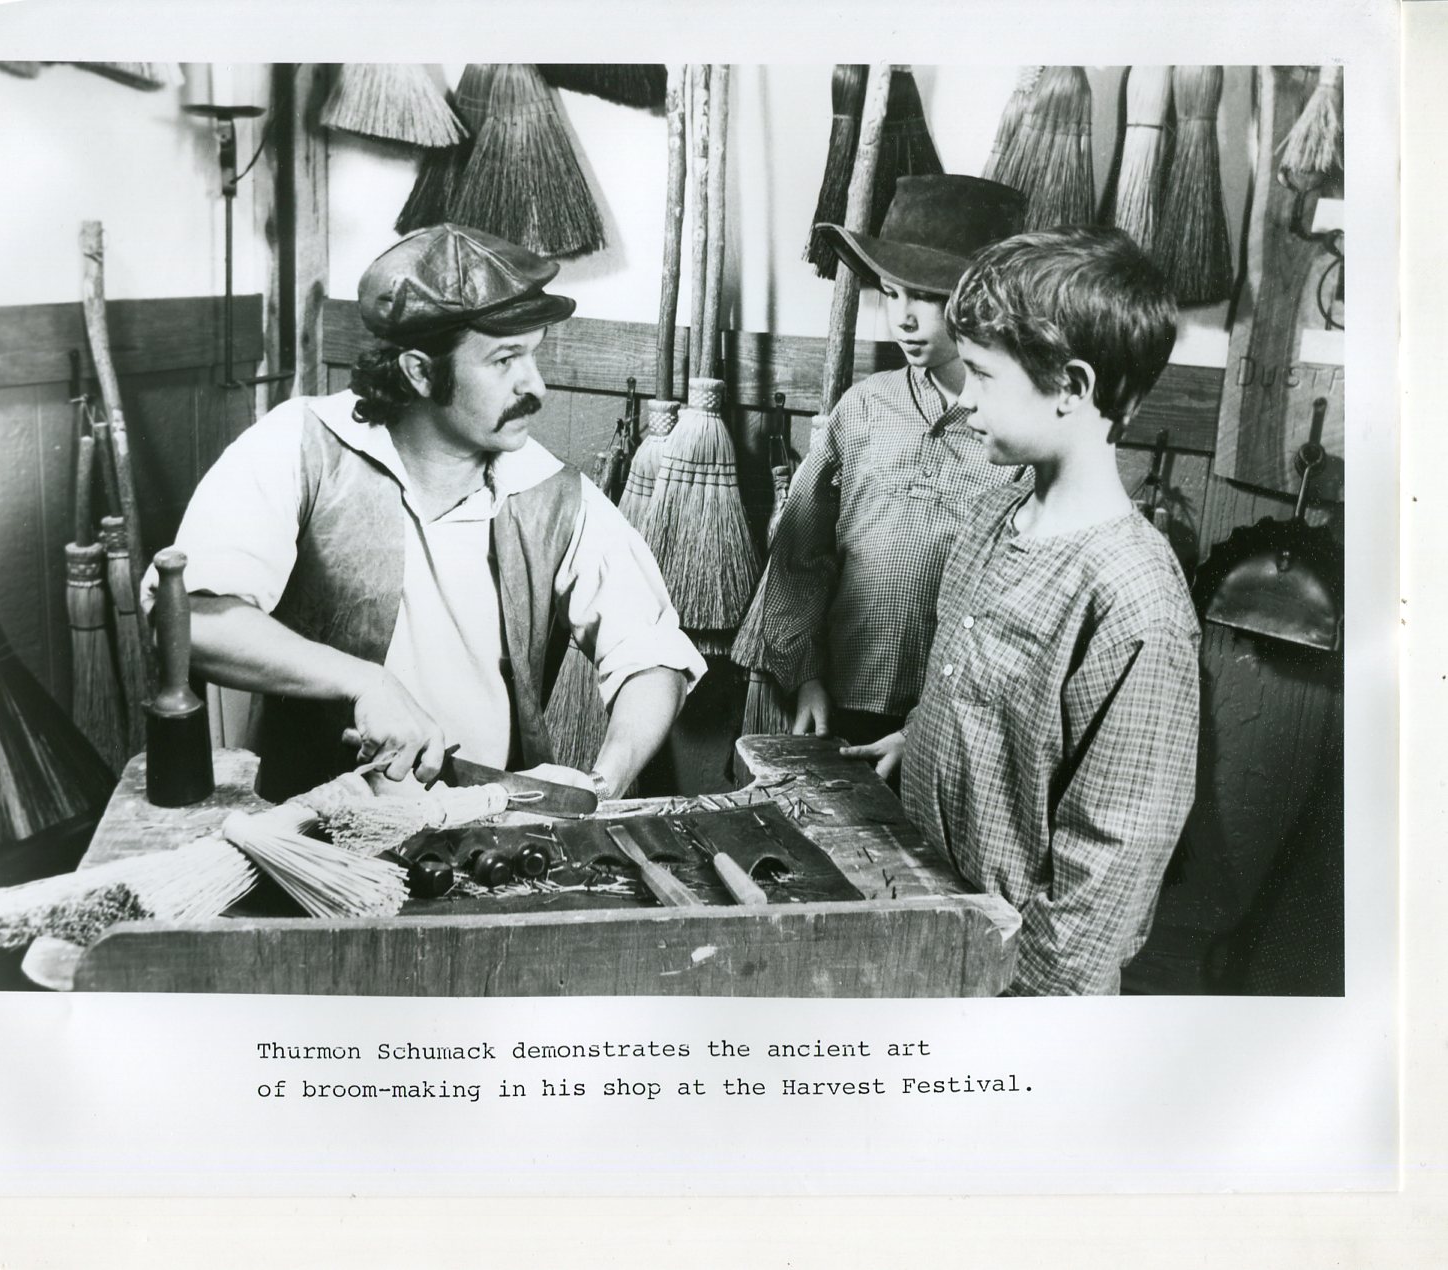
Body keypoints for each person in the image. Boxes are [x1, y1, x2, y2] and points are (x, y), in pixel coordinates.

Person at [147, 224, 706, 803]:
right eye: (504, 359)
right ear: (419, 371)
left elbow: (653, 653)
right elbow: (188, 622)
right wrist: (362, 682)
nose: (536, 386)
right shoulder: (302, 445)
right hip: (309, 825)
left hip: (488, 829)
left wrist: (604, 781)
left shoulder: (549, 490)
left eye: (533, 354)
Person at [845, 226, 1201, 996]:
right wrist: (926, 737)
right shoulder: (993, 517)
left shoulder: (1134, 599)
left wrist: (1019, 1015)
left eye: (981, 374)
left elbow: (1107, 873)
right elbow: (998, 701)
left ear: (1070, 386)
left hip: (1008, 991)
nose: (965, 398)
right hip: (923, 927)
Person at [743, 175, 1030, 745]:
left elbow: (1012, 605)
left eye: (926, 296)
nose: (902, 318)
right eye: (892, 293)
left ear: (986, 303)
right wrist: (806, 676)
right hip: (839, 701)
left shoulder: (1016, 435)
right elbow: (801, 556)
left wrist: (927, 729)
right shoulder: (866, 408)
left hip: (950, 722)